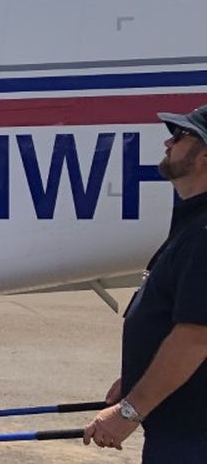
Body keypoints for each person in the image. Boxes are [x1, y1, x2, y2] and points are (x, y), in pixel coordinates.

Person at [84, 104, 207, 461]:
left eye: (183, 136)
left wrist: (130, 411)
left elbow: (195, 337)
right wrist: (138, 380)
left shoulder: (203, 232)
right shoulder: (193, 220)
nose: (169, 142)